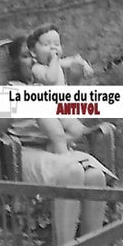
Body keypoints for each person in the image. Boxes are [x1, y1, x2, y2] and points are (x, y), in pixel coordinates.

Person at [0, 35, 113, 246]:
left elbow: (74, 127)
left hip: (55, 150)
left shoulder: (50, 85)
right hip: (23, 153)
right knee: (71, 172)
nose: (33, 60)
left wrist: (80, 96)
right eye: (25, 56)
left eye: (35, 54)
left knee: (94, 174)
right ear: (15, 62)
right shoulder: (11, 88)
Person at [24, 24, 96, 152]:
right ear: (34, 52)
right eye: (46, 45)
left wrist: (84, 65)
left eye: (56, 44)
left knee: (78, 129)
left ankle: (55, 146)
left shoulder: (57, 63)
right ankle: (56, 146)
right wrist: (54, 60)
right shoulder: (37, 68)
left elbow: (74, 60)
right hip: (48, 113)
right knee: (68, 131)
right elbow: (50, 79)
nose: (53, 48)